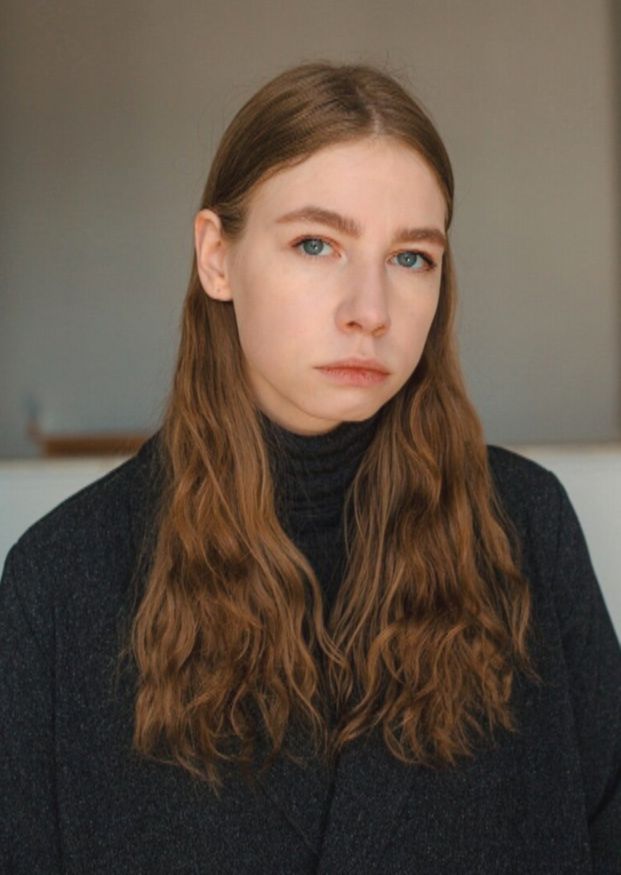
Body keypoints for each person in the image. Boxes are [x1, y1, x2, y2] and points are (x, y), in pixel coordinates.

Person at [0, 61, 619, 874]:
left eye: (411, 257)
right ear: (216, 257)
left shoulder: (526, 529)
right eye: (316, 244)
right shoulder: (59, 581)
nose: (370, 310)